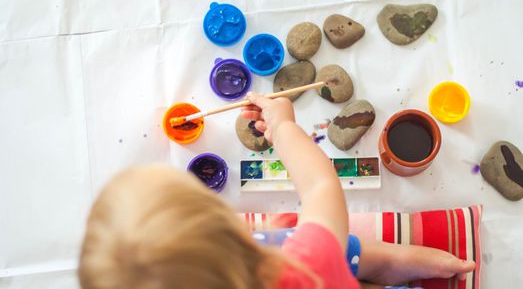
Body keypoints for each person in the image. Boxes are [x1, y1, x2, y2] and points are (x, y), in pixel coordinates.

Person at [78, 92, 475, 289]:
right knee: (363, 253)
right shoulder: (305, 263)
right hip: (332, 271)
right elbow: (320, 186)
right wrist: (283, 127)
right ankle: (435, 266)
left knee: (355, 253)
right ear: (230, 229)